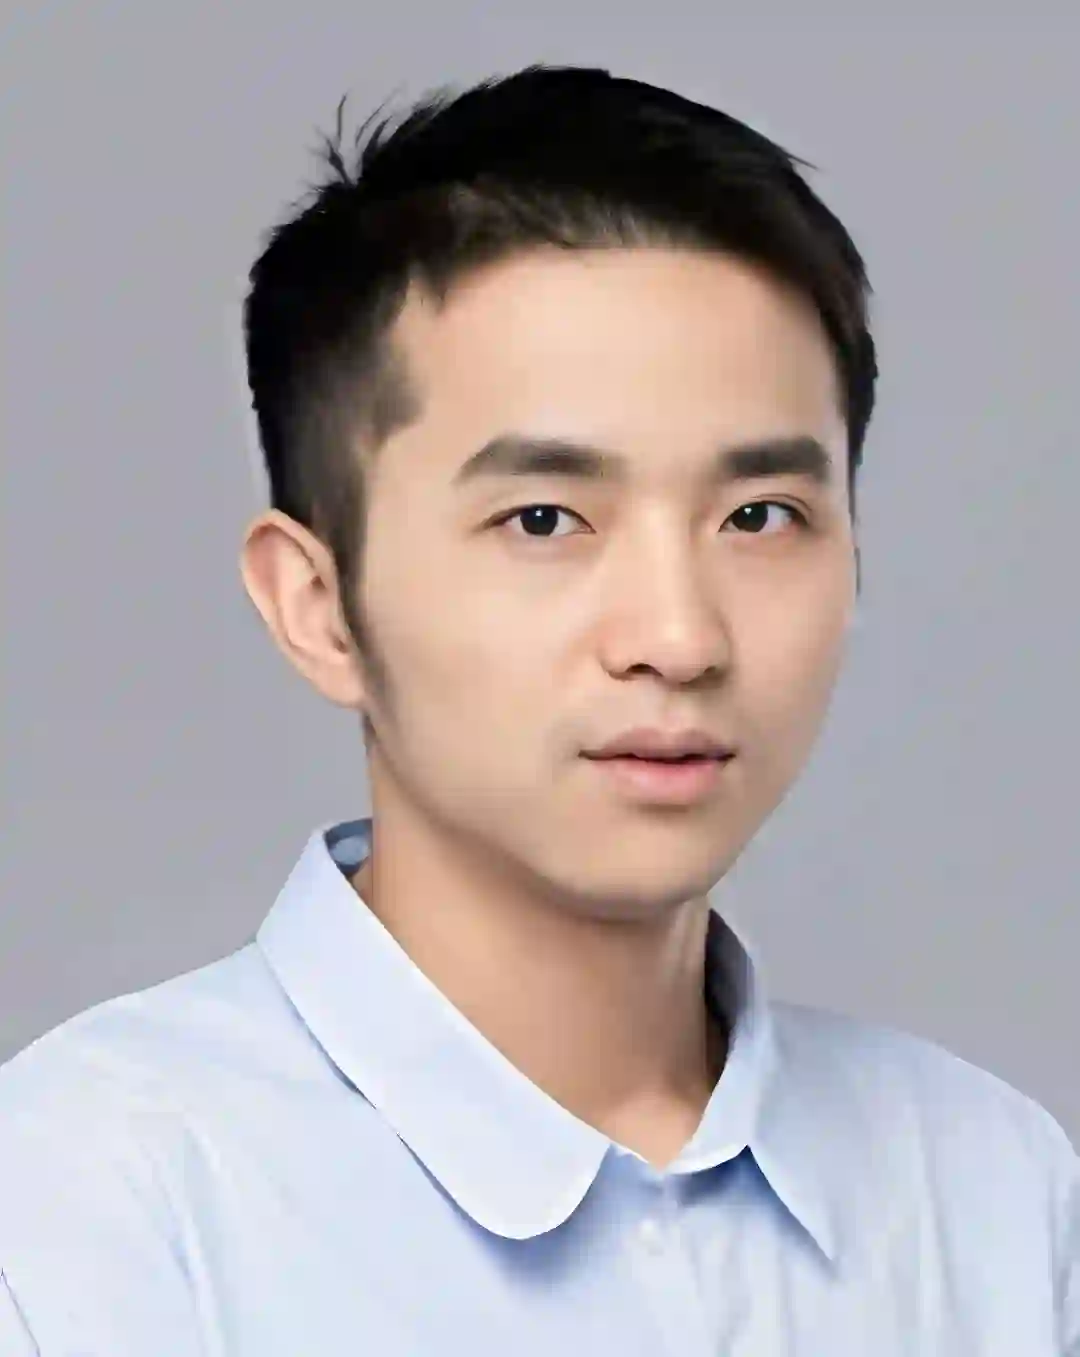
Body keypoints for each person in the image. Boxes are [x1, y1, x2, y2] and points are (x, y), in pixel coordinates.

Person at [0, 63, 1075, 1356]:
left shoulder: (993, 1193)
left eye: (759, 517)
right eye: (546, 520)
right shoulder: (86, 1213)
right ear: (318, 606)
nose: (679, 638)